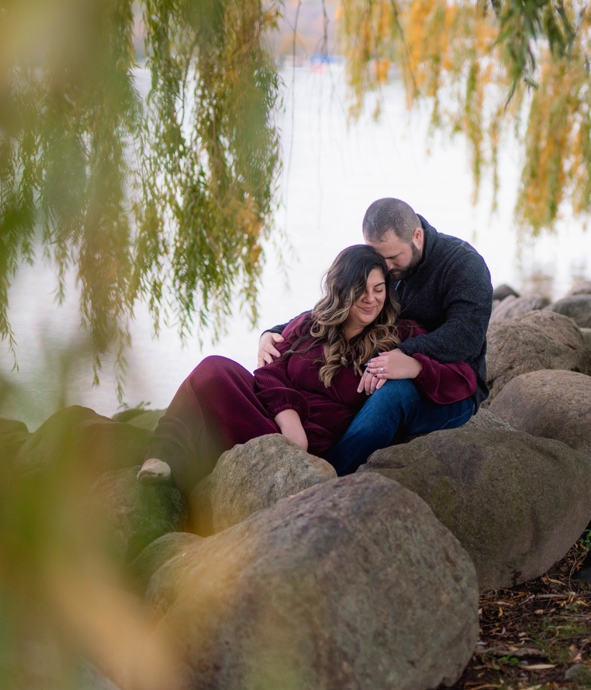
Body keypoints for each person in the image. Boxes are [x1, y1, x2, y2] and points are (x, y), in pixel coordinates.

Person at [138, 244, 477, 497]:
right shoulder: (310, 324)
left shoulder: (398, 337)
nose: (371, 300)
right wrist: (289, 419)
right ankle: (160, 456)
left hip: (314, 451)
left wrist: (414, 366)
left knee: (211, 418)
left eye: (379, 289)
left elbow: (464, 377)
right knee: (213, 368)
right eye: (361, 290)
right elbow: (269, 372)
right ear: (341, 289)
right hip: (277, 422)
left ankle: (187, 476)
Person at [259, 198, 493, 475]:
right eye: (379, 257)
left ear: (417, 236)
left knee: (391, 395)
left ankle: (328, 477)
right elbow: (344, 300)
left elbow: (466, 337)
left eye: (394, 258)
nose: (387, 266)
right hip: (393, 362)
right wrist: (275, 333)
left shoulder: (464, 265)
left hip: (451, 384)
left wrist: (407, 354)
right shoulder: (386, 259)